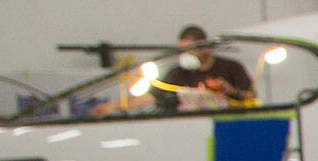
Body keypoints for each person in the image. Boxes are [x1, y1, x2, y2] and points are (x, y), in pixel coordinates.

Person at [91, 24, 255, 115]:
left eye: (190, 49)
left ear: (205, 47)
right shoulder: (178, 73)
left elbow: (251, 97)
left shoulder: (231, 68)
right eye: (181, 50)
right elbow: (150, 97)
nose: (185, 55)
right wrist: (114, 106)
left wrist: (229, 90)